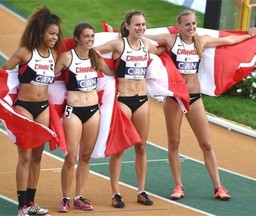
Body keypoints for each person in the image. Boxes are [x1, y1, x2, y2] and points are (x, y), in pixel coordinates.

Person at [145, 10, 256, 201]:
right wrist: (120, 32)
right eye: (187, 24)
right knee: (174, 143)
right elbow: (142, 36)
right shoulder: (170, 40)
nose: (191, 27)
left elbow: (228, 41)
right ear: (179, 26)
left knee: (206, 143)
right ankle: (178, 185)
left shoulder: (201, 41)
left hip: (194, 98)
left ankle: (218, 187)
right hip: (174, 99)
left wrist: (248, 35)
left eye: (193, 24)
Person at [0, 6, 64, 216]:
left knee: (37, 157)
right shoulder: (25, 52)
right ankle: (21, 206)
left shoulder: (54, 55)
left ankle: (31, 203)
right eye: (51, 34)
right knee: (25, 157)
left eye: (56, 34)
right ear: (41, 32)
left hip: (43, 108)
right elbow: (3, 72)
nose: (55, 37)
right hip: (24, 108)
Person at [95, 10, 158, 208]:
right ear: (128, 25)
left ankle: (141, 190)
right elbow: (92, 51)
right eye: (137, 25)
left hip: (142, 100)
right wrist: (108, 70)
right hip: (123, 100)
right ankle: (116, 193)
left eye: (143, 25)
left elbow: (162, 50)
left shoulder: (146, 44)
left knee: (141, 146)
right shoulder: (118, 44)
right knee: (119, 148)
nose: (140, 28)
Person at [55, 23, 114, 213]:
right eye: (86, 36)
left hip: (92, 112)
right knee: (71, 157)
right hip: (73, 111)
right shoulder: (67, 57)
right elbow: (49, 76)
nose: (90, 40)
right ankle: (65, 198)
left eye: (92, 36)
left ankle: (79, 196)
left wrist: (114, 38)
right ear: (78, 38)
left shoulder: (95, 56)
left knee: (86, 156)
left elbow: (112, 73)